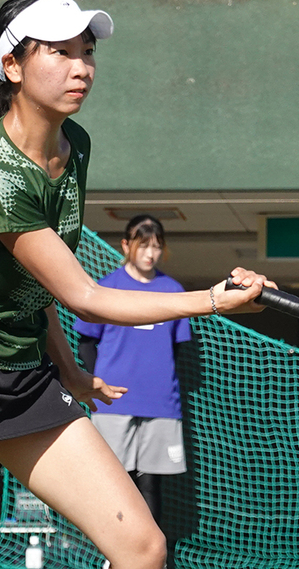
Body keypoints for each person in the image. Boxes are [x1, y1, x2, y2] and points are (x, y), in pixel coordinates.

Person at [0, 0, 274, 569]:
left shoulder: (73, 146)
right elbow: (84, 295)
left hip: (22, 376)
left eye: (87, 52)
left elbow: (42, 287)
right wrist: (212, 300)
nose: (81, 67)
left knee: (143, 548)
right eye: (60, 52)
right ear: (13, 66)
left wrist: (71, 371)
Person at [74, 215, 190, 528]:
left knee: (151, 483)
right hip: (114, 404)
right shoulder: (106, 288)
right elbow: (86, 342)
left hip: (160, 405)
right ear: (126, 246)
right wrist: (100, 381)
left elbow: (175, 349)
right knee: (114, 483)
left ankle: (153, 557)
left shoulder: (173, 290)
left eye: (156, 247)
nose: (150, 254)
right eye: (143, 246)